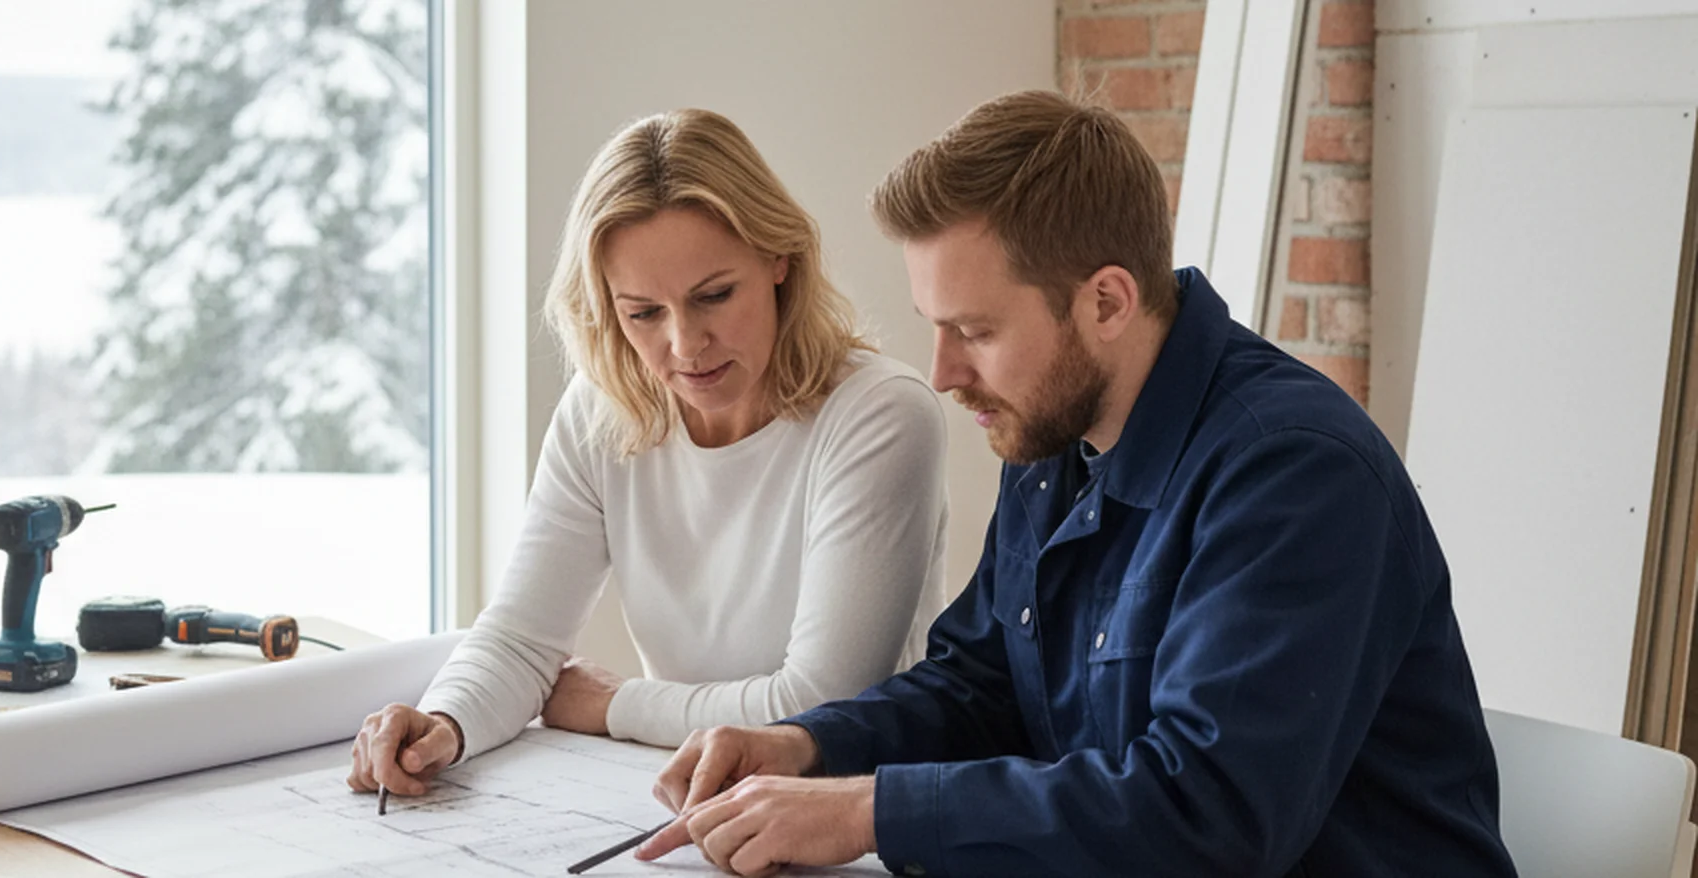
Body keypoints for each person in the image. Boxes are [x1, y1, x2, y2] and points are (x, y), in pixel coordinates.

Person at [637, 90, 1517, 877]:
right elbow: (980, 686)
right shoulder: (1053, 427)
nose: (942, 374)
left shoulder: (1295, 473)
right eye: (934, 328)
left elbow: (1207, 816)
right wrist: (805, 745)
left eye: (974, 330)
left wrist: (871, 811)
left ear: (1106, 302)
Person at [345, 108, 951, 799]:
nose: (686, 345)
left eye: (715, 296)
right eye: (643, 313)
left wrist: (614, 704)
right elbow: (521, 641)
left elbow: (821, 706)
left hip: (841, 814)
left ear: (780, 258)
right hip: (680, 797)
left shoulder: (880, 415)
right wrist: (441, 722)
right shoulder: (602, 412)